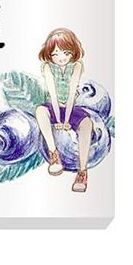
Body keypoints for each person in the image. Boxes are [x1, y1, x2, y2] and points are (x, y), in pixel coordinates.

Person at [35, 28, 93, 192]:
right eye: (55, 54)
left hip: (70, 108)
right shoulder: (48, 67)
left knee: (87, 124)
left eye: (66, 53)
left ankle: (82, 172)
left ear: (73, 51)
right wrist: (59, 120)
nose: (61, 58)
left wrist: (66, 120)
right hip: (54, 106)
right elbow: (52, 94)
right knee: (40, 111)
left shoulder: (77, 66)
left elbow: (71, 94)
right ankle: (54, 154)